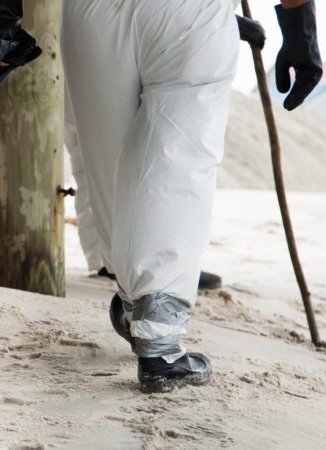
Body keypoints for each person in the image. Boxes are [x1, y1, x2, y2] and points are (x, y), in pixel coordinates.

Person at [60, 0, 322, 393]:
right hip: (188, 13)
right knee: (175, 160)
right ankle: (158, 335)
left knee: (111, 163)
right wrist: (300, 30)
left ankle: (135, 301)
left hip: (88, 14)